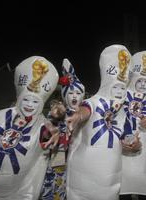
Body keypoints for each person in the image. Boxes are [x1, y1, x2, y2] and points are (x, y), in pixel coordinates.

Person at [0, 56, 59, 199]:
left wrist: (55, 133)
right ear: (19, 98)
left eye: (35, 102)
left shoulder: (42, 125)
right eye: (26, 99)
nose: (30, 105)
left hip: (15, 192)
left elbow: (50, 133)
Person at [66, 44, 131, 200]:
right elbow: (85, 111)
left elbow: (127, 139)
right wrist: (77, 116)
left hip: (110, 178)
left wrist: (133, 144)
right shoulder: (93, 102)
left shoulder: (123, 112)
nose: (119, 92)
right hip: (84, 176)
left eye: (122, 89)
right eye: (116, 87)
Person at [39, 58, 85, 200]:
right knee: (56, 189)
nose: (74, 97)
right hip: (60, 157)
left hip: (80, 158)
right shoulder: (58, 112)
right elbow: (44, 137)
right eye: (71, 93)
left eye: (78, 93)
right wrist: (53, 126)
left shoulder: (86, 113)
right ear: (65, 95)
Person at [119, 51, 146, 200]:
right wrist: (126, 137)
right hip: (123, 147)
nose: (142, 84)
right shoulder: (121, 95)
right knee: (123, 192)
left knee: (145, 190)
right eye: (139, 81)